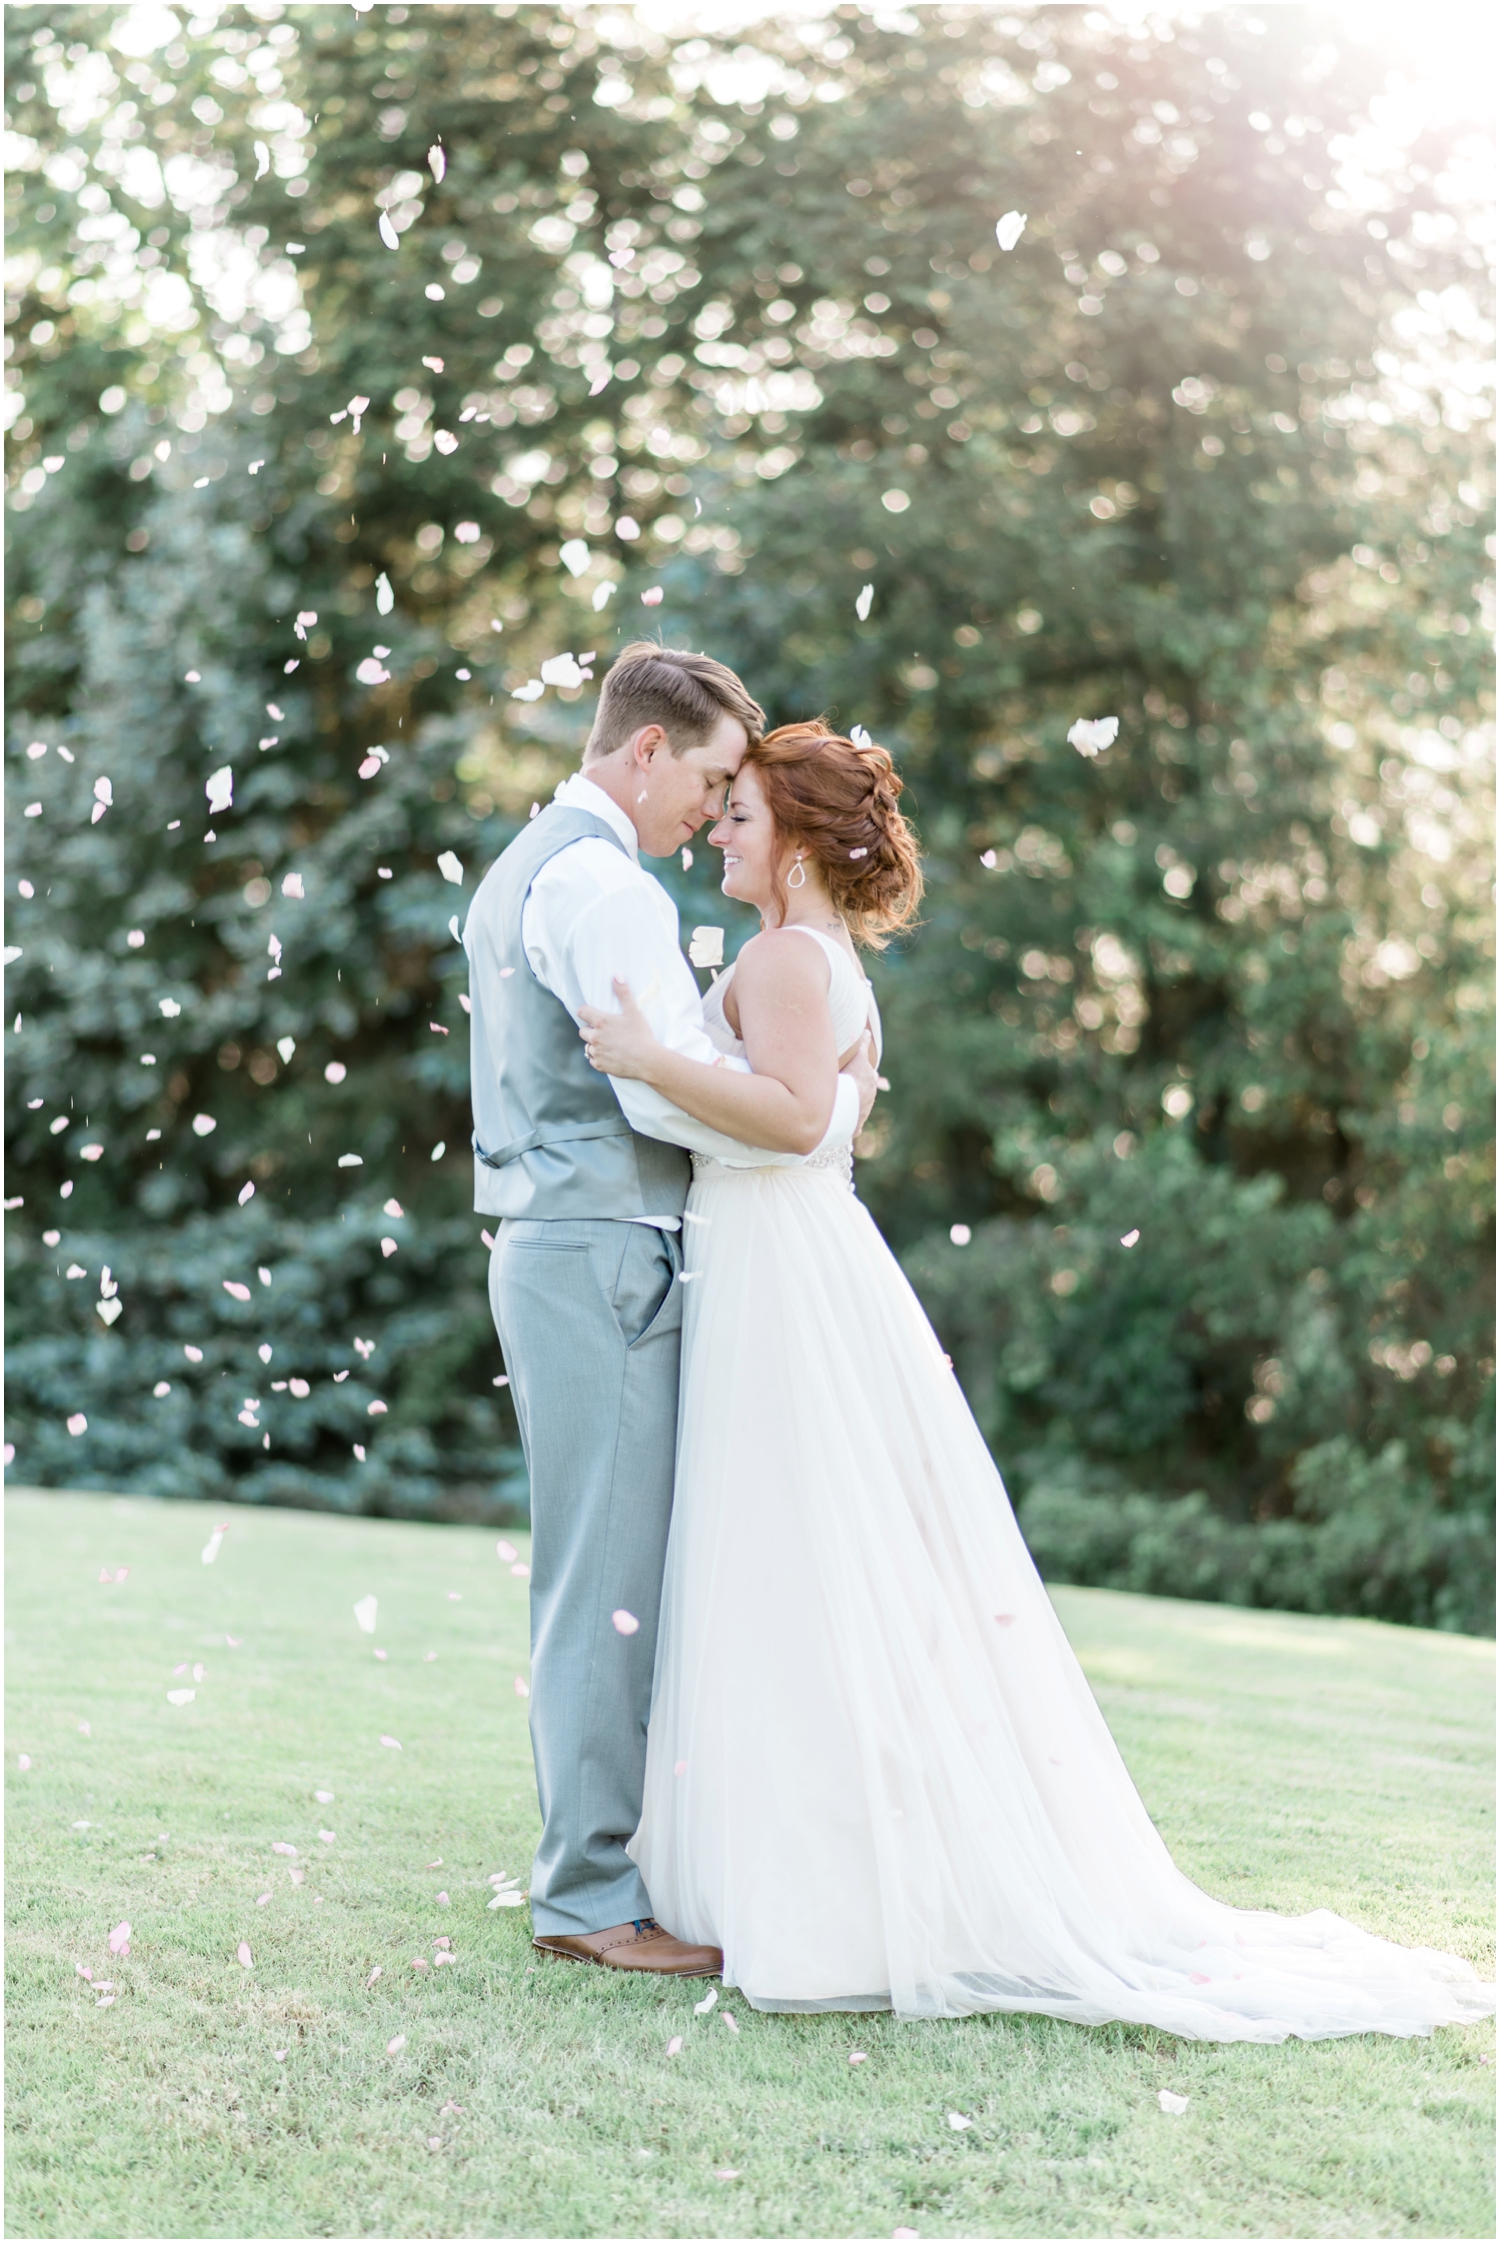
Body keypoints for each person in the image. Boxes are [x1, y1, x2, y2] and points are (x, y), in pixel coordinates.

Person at [577, 720, 1496, 2039]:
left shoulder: (783, 954)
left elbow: (786, 1119)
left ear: (793, 841)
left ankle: (813, 1889)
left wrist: (654, 1058)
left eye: (740, 816)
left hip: (781, 1272)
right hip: (804, 1261)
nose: (719, 831)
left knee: (786, 1550)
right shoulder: (830, 960)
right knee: (812, 1555)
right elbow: (833, 1115)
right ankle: (821, 1869)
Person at [463, 645, 877, 1981]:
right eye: (706, 780)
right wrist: (824, 1121)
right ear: (647, 753)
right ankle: (587, 1892)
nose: (710, 810)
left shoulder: (534, 864)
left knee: (615, 1573)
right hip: (601, 1246)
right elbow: (655, 1092)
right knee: (607, 1584)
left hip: (574, 1238)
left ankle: (604, 1867)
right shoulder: (600, 883)